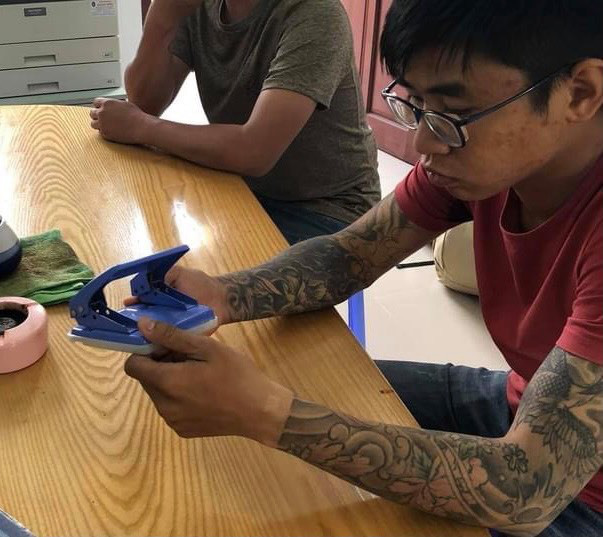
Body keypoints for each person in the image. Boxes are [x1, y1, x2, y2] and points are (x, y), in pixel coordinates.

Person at [122, 1, 603, 535]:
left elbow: (524, 490)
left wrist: (268, 415)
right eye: (416, 105)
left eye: (453, 113)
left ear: (580, 93)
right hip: (516, 400)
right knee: (275, 394)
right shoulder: (482, 164)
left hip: (579, 498)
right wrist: (223, 293)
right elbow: (350, 255)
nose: (422, 144)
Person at [89, 0, 380, 244]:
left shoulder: (316, 13)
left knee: (211, 278)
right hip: (241, 184)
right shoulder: (198, 7)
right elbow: (145, 102)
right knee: (136, 243)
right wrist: (161, 18)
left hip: (330, 207)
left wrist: (142, 127)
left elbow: (255, 151)